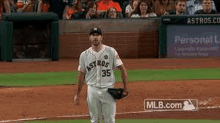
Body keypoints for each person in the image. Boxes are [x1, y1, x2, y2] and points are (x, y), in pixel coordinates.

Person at [74, 27, 129, 123]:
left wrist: (125, 87)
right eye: (93, 35)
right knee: (95, 120)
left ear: (102, 37)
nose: (95, 37)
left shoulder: (111, 51)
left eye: (97, 35)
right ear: (89, 38)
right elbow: (81, 75)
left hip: (108, 90)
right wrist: (77, 94)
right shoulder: (84, 55)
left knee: (110, 120)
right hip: (92, 91)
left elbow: (122, 69)